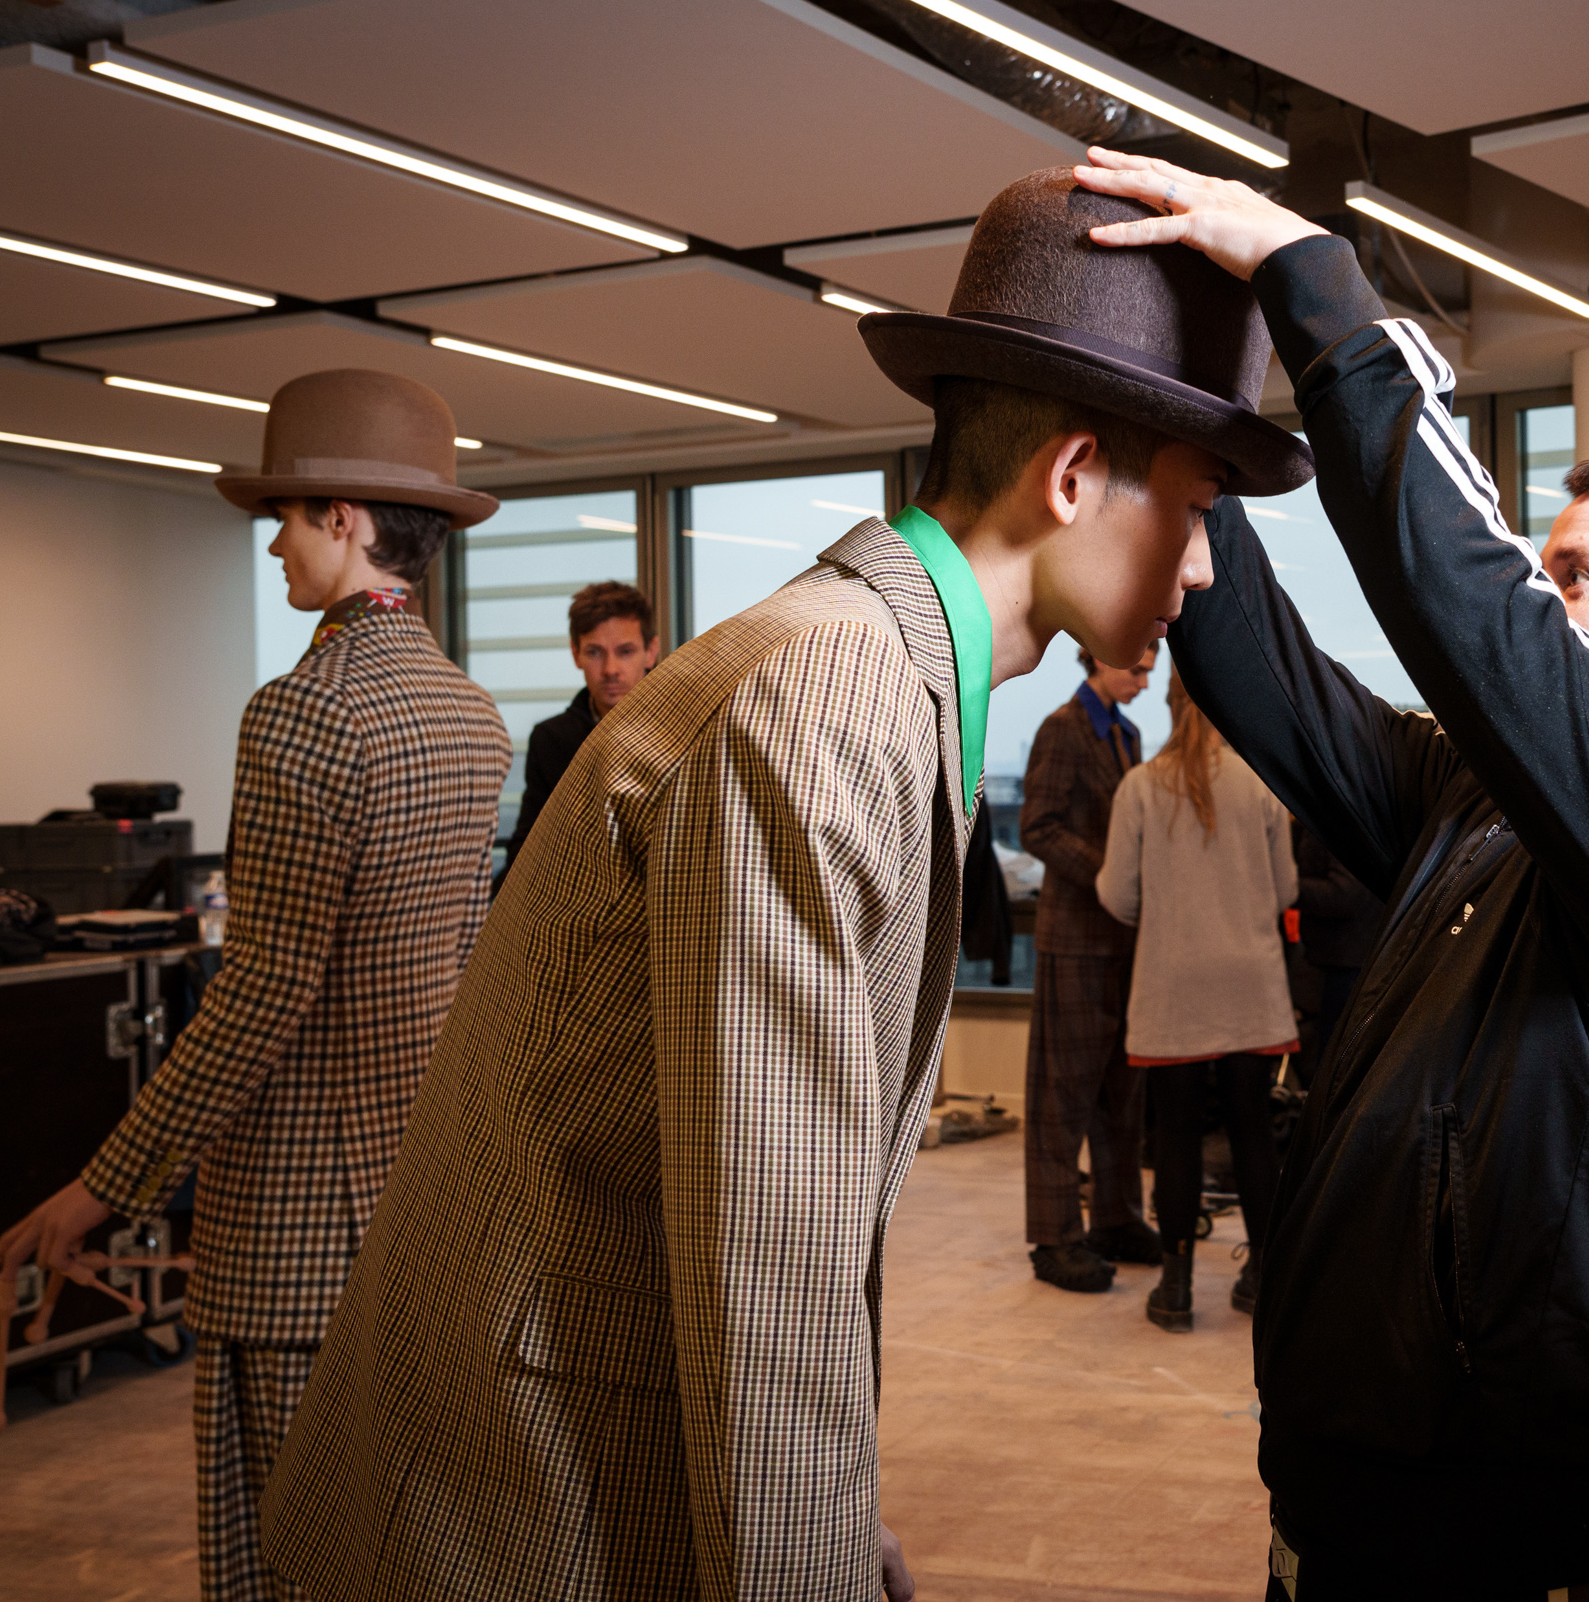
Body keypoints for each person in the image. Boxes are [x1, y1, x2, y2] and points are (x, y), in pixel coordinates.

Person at [255, 167, 1315, 1602]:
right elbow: (768, 1264)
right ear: (1071, 478)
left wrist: (827, 1501)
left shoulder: (874, 671)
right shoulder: (826, 693)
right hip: (514, 1499)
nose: (1202, 567)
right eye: (1195, 506)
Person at [1078, 148, 1589, 1600]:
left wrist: (1316, 286)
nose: (1538, 598)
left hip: (1516, 1557)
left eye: (1576, 577)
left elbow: (1465, 603)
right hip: (1331, 1512)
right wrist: (1180, 428)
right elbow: (1268, 676)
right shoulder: (1478, 799)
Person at [0, 369, 510, 1602]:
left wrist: (101, 1186)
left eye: (286, 514)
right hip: (413, 1207)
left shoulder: (304, 711)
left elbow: (261, 995)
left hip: (292, 1228)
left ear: (346, 518)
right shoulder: (471, 715)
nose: (274, 540)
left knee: (283, 1557)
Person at [1098, 667, 1298, 1330]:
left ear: (1171, 704)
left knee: (1176, 1136)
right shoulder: (1261, 783)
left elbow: (1118, 896)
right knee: (1252, 1135)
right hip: (1250, 984)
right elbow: (1283, 892)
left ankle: (1177, 1285)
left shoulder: (1140, 789)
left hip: (1173, 986)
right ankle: (1264, 1276)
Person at [1019, 641, 1161, 1292]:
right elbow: (1037, 827)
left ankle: (1116, 1216)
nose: (1149, 673)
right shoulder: (1062, 728)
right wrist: (1107, 870)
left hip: (1122, 940)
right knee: (1063, 1098)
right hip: (1074, 940)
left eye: (1154, 661)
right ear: (1099, 659)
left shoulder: (1128, 733)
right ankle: (1054, 1237)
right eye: (1139, 663)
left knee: (1119, 1094)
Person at [500, 580, 659, 879]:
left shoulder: (680, 729)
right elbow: (523, 852)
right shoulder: (551, 739)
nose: (611, 669)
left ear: (651, 652)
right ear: (575, 654)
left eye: (625, 651)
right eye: (595, 653)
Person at [1288, 818, 1385, 1086]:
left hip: (1348, 961)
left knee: (1332, 1071)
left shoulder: (1338, 821)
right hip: (1341, 957)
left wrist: (1285, 886)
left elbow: (1345, 894)